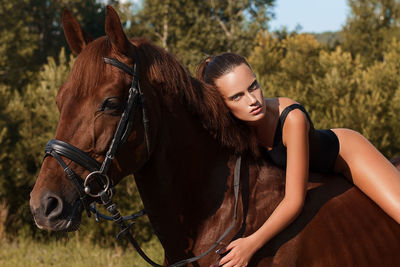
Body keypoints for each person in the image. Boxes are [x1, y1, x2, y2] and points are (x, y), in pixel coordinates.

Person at [196, 52, 400, 267]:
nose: (253, 100)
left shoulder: (292, 118)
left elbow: (294, 201)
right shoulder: (230, 128)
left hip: (348, 155)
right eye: (237, 96)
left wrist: (250, 245)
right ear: (222, 104)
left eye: (253, 86)